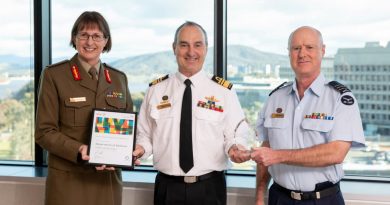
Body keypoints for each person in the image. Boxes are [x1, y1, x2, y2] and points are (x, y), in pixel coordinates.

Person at [132, 21, 251, 205]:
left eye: (197, 45)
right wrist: (139, 150)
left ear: (206, 49)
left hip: (210, 188)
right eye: (184, 44)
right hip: (167, 188)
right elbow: (145, 135)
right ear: (174, 48)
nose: (191, 52)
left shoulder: (224, 91)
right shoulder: (155, 90)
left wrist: (235, 149)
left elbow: (234, 135)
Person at [251, 26, 365, 205]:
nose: (302, 54)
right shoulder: (275, 98)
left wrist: (279, 156)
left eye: (309, 47)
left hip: (323, 200)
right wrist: (259, 196)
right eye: (296, 48)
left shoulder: (340, 98)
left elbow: (336, 153)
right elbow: (266, 149)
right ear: (289, 53)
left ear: (323, 51)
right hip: (279, 198)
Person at [35, 11, 133, 205]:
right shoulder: (54, 75)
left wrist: (131, 152)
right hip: (69, 183)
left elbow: (128, 130)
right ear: (74, 38)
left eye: (97, 36)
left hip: (108, 185)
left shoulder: (118, 79)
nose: (90, 42)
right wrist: (79, 149)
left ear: (106, 41)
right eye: (84, 35)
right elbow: (44, 132)